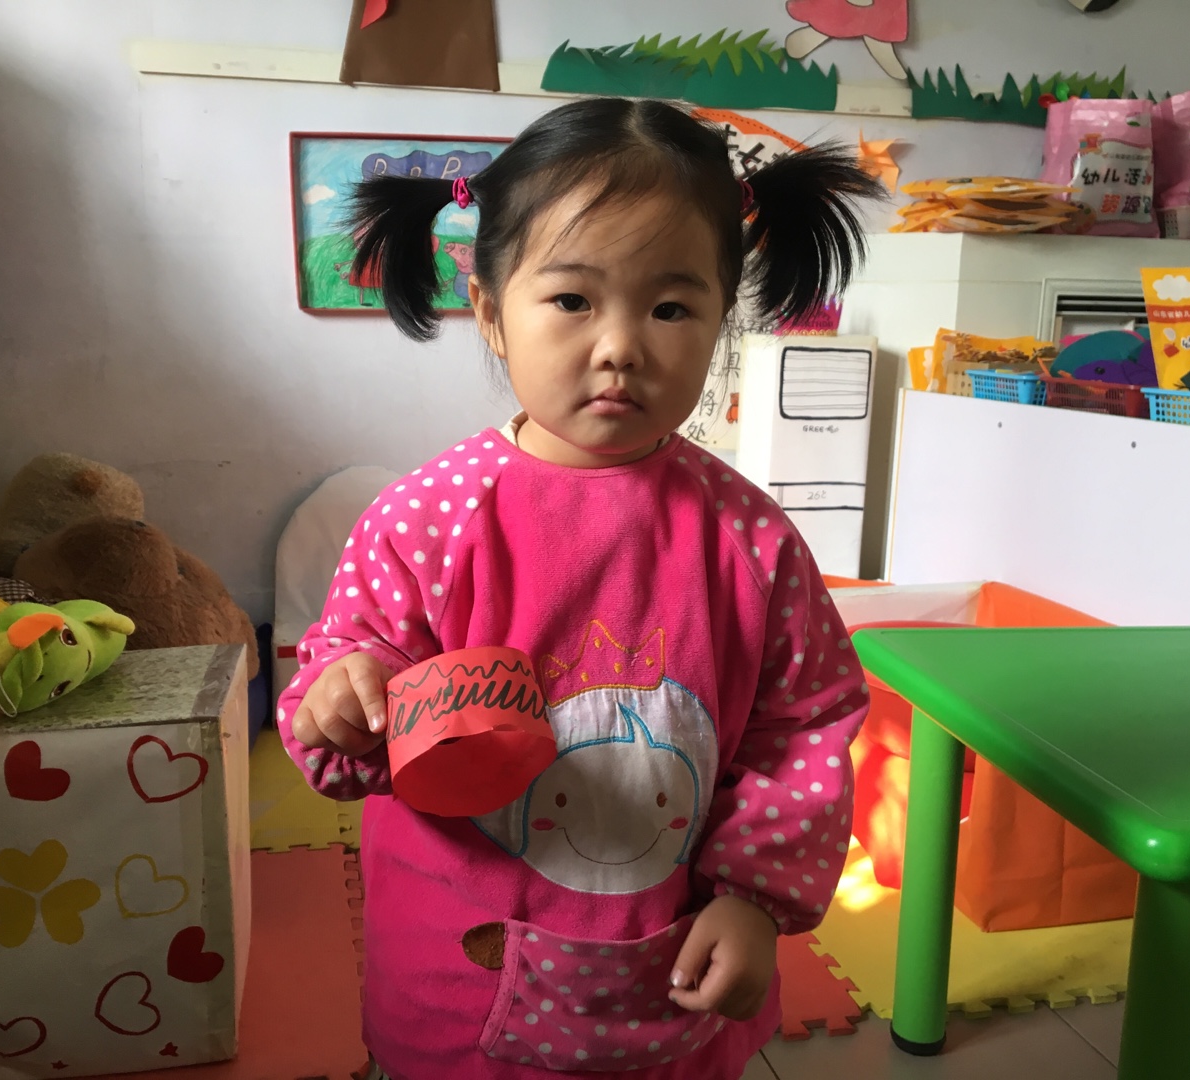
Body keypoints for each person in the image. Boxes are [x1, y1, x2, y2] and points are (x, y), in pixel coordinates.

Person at [278, 97, 879, 1079]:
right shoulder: (426, 518)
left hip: (673, 971)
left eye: (671, 308)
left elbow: (806, 723)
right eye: (571, 300)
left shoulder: (752, 539)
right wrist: (345, 698)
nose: (620, 347)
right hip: (457, 967)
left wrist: (755, 898)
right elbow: (349, 666)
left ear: (721, 321)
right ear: (490, 312)